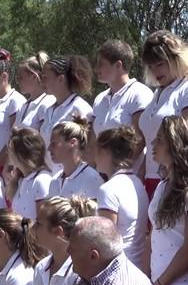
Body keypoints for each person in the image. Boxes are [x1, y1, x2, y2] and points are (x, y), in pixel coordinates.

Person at [148, 114, 188, 285]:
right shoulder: (163, 186)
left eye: (160, 140)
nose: (153, 144)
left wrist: (161, 284)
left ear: (175, 144)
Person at [138, 30, 188, 199]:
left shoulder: (185, 89)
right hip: (151, 178)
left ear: (175, 59)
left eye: (159, 64)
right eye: (150, 66)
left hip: (177, 181)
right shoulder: (157, 93)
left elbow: (184, 138)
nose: (154, 71)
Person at [91, 39, 153, 169]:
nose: (96, 69)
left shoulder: (140, 94)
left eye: (101, 64)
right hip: (101, 177)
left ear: (118, 65)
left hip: (127, 177)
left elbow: (139, 139)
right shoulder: (99, 99)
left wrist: (118, 170)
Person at [95, 126, 149, 271]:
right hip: (138, 269)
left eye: (97, 151)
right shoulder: (138, 184)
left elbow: (106, 240)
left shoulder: (108, 189)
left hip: (118, 271)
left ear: (106, 153)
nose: (95, 157)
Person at [39, 55, 93, 173]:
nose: (42, 82)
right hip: (50, 177)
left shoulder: (80, 108)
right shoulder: (48, 110)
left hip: (71, 178)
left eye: (45, 78)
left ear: (60, 79)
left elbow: (86, 149)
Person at [47, 118, 104, 200]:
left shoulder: (92, 179)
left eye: (54, 143)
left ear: (72, 142)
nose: (49, 148)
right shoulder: (54, 180)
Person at [7, 128, 52, 220]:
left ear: (21, 154)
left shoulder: (42, 180)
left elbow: (43, 222)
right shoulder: (20, 180)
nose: (8, 153)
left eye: (11, 150)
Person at [13, 51, 56, 130]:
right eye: (17, 78)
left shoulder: (48, 103)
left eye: (20, 78)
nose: (18, 82)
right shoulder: (24, 106)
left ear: (34, 77)